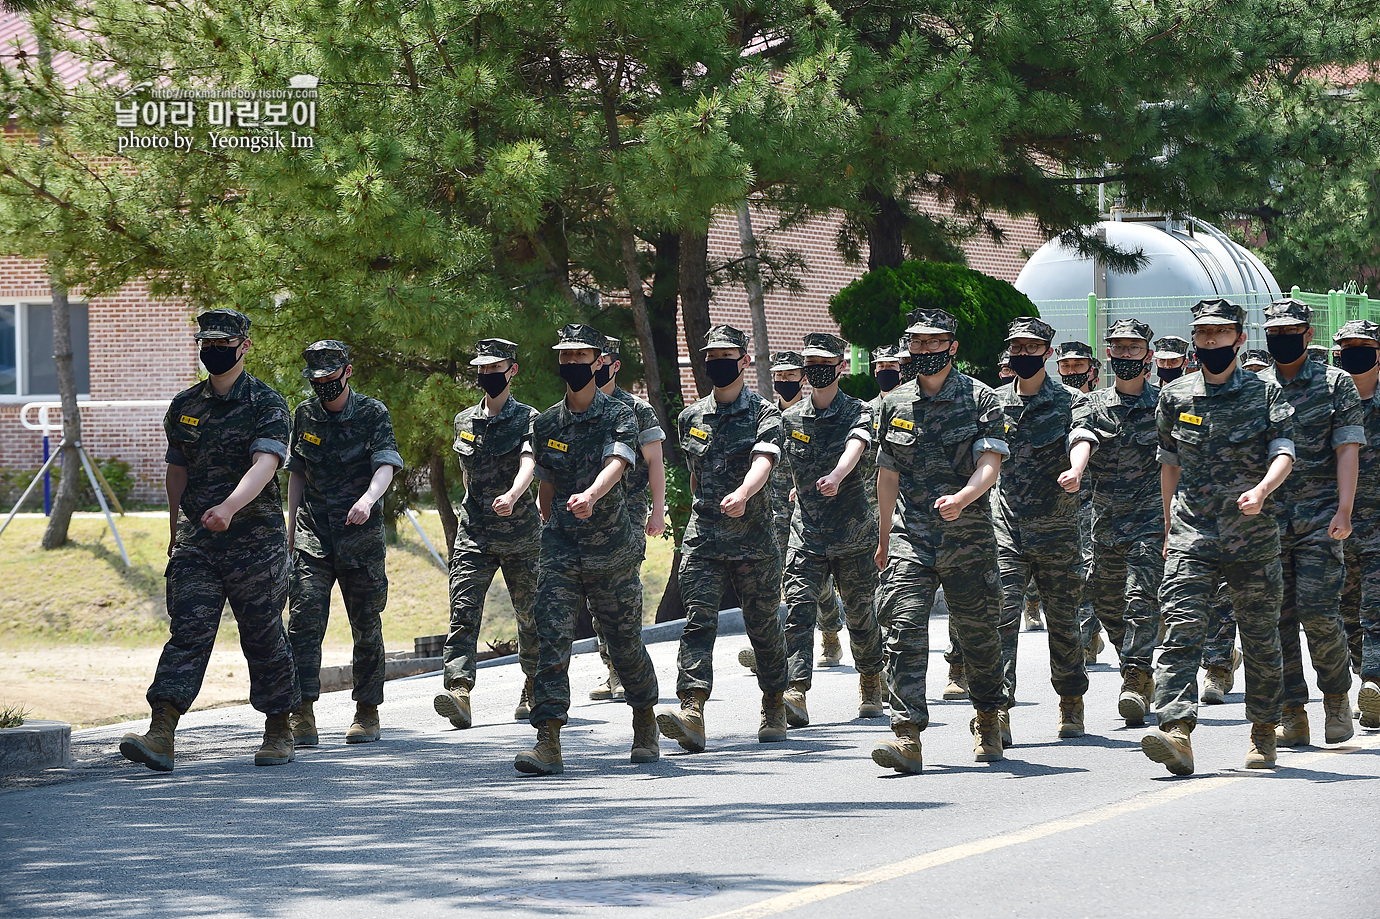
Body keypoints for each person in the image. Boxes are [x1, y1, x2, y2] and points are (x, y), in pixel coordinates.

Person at [120, 308, 299, 772]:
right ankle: (161, 732)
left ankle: (279, 726)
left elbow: (266, 464)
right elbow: (176, 470)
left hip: (254, 542)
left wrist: (229, 508)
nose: (213, 350)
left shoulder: (267, 403)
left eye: (223, 343)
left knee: (262, 634)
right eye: (207, 342)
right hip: (198, 541)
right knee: (189, 631)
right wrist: (175, 529)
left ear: (244, 346)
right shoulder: (185, 406)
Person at [1141, 297, 1294, 775]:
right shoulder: (1176, 396)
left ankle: (1264, 731)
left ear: (1239, 339)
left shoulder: (1265, 393)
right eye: (1203, 333)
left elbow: (1284, 452)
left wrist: (1263, 490)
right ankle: (1176, 731)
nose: (1210, 341)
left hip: (1251, 533)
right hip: (1192, 532)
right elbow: (1169, 462)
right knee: (1180, 629)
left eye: (1220, 333)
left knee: (1260, 636)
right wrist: (1168, 524)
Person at [872, 308, 1009, 773]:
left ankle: (988, 717)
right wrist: (884, 533)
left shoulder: (982, 398)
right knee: (903, 630)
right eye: (917, 343)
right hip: (913, 537)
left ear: (952, 346)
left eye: (935, 343)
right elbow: (887, 472)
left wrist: (965, 497)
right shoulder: (895, 403)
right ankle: (906, 735)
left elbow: (990, 463)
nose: (925, 351)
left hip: (967, 537)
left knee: (978, 637)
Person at [517, 324, 658, 774]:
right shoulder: (545, 422)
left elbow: (618, 460)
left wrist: (593, 494)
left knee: (623, 644)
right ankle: (549, 739)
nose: (573, 365)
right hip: (559, 546)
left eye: (582, 357)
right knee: (551, 638)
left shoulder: (619, 414)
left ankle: (643, 717)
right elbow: (546, 479)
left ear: (599, 361)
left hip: (610, 548)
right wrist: (544, 515)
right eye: (567, 357)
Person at [658, 325, 790, 752]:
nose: (717, 361)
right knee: (698, 621)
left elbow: (764, 460)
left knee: (763, 626)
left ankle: (773, 702)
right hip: (704, 540)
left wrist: (744, 493)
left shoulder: (765, 413)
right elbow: (696, 476)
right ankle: (692, 709)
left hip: (753, 540)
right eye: (710, 354)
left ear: (745, 361)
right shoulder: (690, 417)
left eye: (726, 354)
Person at [285, 340, 403, 746]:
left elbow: (386, 463)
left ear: (347, 372)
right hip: (312, 534)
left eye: (330, 378)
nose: (323, 386)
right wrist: (290, 529)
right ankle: (301, 714)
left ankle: (367, 712)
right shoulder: (304, 414)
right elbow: (296, 472)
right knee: (302, 624)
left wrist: (368, 501)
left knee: (366, 627)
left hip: (360, 538)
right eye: (316, 380)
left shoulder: (373, 413)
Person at [1260, 298, 1360, 747]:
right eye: (1274, 333)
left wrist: (1344, 509)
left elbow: (1347, 448)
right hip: (1265, 523)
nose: (1282, 339)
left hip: (1320, 518)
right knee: (1276, 619)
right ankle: (1291, 709)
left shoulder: (1334, 383)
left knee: (1320, 614)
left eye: (1291, 331)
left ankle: (1336, 697)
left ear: (1309, 334)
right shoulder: (1254, 386)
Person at [434, 338, 542, 729]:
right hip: (474, 534)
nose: (487, 376)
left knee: (529, 616)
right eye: (482, 369)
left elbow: (529, 460)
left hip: (521, 534)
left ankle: (533, 684)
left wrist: (514, 494)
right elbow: (466, 474)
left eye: (495, 369)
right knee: (463, 613)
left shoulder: (530, 418)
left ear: (512, 370)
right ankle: (459, 691)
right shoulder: (465, 420)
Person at [779, 333, 886, 727]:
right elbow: (781, 460)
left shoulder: (857, 411)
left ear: (841, 366)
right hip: (806, 534)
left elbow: (857, 443)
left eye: (825, 362)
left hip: (853, 533)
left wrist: (838, 475)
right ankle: (795, 690)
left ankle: (872, 680)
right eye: (810, 363)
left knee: (860, 614)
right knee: (799, 609)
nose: (816, 370)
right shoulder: (790, 420)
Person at [1062, 319, 1163, 726]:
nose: (1124, 356)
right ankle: (1134, 663)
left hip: (1153, 519)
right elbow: (1082, 436)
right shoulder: (1092, 403)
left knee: (1141, 598)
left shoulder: (1165, 403)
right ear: (1108, 355)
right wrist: (1077, 470)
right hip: (1106, 523)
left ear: (1148, 357)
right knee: (1107, 603)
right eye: (1118, 348)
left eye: (1133, 349)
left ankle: (1135, 678)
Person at [992, 317, 1088, 739]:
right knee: (1000, 619)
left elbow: (1082, 438)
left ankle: (1070, 700)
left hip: (1058, 531)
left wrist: (1076, 469)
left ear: (1048, 354)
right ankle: (995, 711)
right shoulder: (991, 402)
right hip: (1006, 531)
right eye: (1018, 348)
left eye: (1033, 348)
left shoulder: (1069, 401)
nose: (1024, 355)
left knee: (1065, 623)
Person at [737, 350, 844, 674]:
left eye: (790, 375)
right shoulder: (768, 415)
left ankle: (829, 628)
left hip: (806, 507)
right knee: (777, 579)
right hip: (770, 509)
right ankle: (774, 646)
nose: (784, 381)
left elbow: (828, 457)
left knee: (811, 579)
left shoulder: (811, 414)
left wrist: (811, 486)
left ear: (803, 377)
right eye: (779, 376)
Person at [587, 336, 668, 702]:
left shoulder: (637, 409)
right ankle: (613, 669)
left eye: (601, 360)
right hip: (588, 514)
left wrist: (658, 511)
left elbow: (655, 464)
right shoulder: (577, 408)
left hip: (628, 511)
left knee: (623, 591)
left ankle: (629, 670)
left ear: (614, 365)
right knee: (595, 597)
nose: (594, 366)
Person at [1332, 320, 1380, 728]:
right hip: (1340, 526)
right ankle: (1367, 677)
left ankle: (1374, 680)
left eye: (1363, 345)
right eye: (1347, 346)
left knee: (1375, 608)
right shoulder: (1329, 404)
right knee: (1348, 611)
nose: (1355, 352)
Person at [1056, 340, 1104, 665]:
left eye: (1078, 366)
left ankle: (1086, 637)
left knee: (1090, 569)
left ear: (1093, 371)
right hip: (1058, 504)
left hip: (1095, 502)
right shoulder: (1053, 404)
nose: (1072, 372)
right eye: (1066, 366)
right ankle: (1085, 634)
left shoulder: (1104, 406)